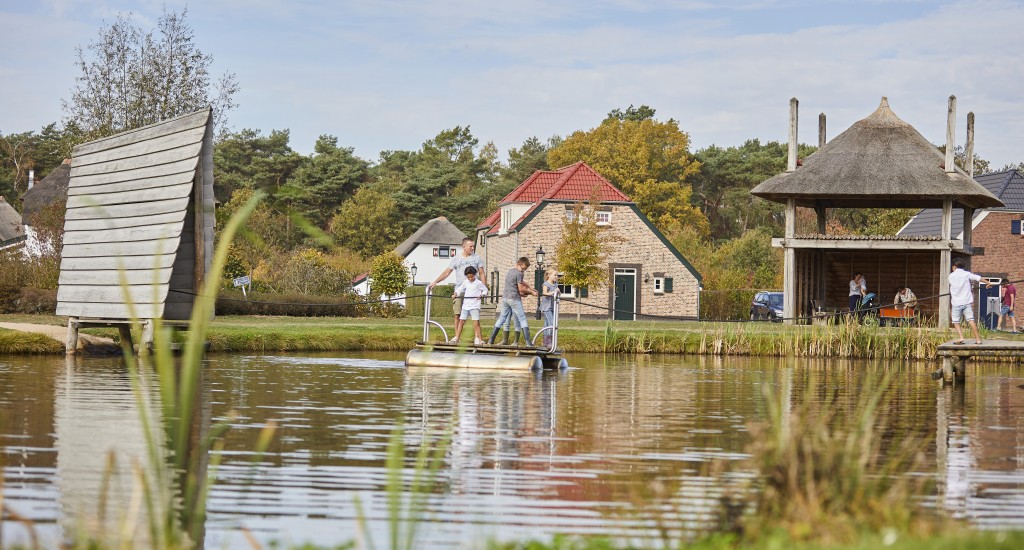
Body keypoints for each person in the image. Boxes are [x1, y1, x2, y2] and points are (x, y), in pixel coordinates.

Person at [428, 237, 484, 339]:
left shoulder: (477, 258)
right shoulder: (456, 259)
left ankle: (478, 338)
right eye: (470, 246)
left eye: (473, 246)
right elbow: (447, 272)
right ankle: (457, 337)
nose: (472, 248)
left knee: (475, 316)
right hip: (459, 290)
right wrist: (435, 281)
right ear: (464, 246)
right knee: (457, 314)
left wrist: (483, 289)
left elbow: (481, 273)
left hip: (473, 292)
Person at [488, 257, 538, 346]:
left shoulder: (510, 271)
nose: (523, 271)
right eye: (523, 268)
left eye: (525, 270)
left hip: (505, 298)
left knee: (501, 318)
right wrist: (531, 292)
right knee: (522, 319)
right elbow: (521, 288)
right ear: (519, 264)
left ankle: (491, 340)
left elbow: (519, 283)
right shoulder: (519, 273)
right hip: (514, 299)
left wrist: (530, 287)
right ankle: (528, 343)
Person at [948, 258, 991, 345]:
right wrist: (988, 283)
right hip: (966, 302)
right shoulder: (966, 274)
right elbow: (978, 278)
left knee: (955, 321)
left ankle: (961, 337)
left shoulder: (951, 276)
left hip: (956, 302)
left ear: (954, 267)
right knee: (971, 320)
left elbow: (955, 286)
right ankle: (978, 339)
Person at [451, 266, 489, 345]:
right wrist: (455, 294)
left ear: (475, 274)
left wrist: (482, 295)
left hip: (474, 305)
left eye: (472, 276)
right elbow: (460, 289)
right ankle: (457, 338)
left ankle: (480, 339)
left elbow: (485, 290)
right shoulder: (465, 282)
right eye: (468, 277)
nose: (470, 278)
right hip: (466, 305)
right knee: (461, 321)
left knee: (476, 322)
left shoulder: (478, 283)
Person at [539, 267, 559, 348]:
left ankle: (545, 343)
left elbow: (557, 294)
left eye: (557, 275)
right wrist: (554, 292)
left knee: (547, 325)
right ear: (549, 275)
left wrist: (558, 292)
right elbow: (544, 293)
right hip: (546, 308)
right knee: (551, 323)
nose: (556, 277)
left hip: (553, 307)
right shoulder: (546, 284)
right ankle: (549, 342)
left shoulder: (556, 284)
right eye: (555, 275)